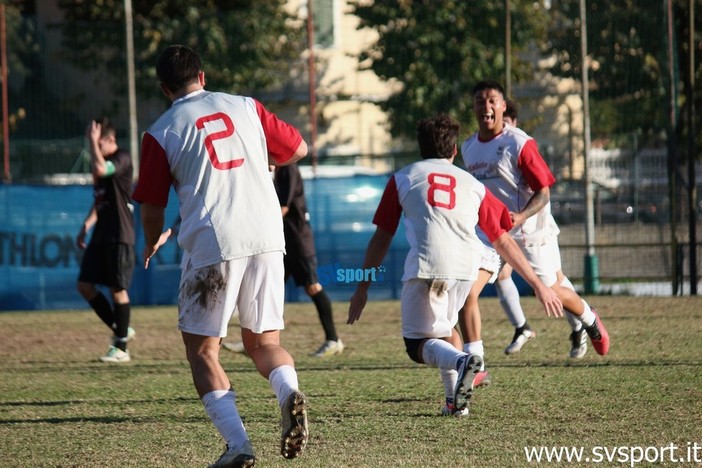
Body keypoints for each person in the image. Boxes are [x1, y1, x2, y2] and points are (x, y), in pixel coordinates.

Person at [132, 45, 309, 467]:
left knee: (203, 352)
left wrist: (152, 239)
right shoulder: (246, 105)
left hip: (215, 243)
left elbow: (152, 206)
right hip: (267, 235)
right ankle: (289, 392)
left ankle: (238, 446)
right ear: (203, 76)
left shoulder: (161, 131)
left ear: (163, 88)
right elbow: (298, 148)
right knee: (265, 343)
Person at [347, 114, 563, 418]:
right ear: (454, 151)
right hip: (465, 270)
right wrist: (538, 285)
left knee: (416, 344)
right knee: (447, 329)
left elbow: (381, 239)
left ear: (421, 148)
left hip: (427, 266)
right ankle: (455, 404)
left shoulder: (403, 178)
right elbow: (502, 240)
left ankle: (463, 362)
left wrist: (362, 286)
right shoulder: (473, 184)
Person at [461, 80, 610, 360]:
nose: (486, 106)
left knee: (551, 289)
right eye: (480, 100)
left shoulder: (518, 143)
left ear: (503, 107)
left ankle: (588, 318)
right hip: (492, 234)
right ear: (474, 108)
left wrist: (522, 216)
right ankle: (474, 363)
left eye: (492, 100)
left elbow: (544, 191)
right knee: (467, 289)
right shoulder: (468, 148)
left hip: (529, 230)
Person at [76, 117, 136, 363]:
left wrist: (92, 140)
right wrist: (85, 226)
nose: (93, 148)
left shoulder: (122, 158)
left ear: (110, 140)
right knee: (85, 285)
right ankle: (120, 327)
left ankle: (121, 347)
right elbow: (99, 200)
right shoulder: (101, 166)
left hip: (119, 234)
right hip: (101, 235)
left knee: (117, 290)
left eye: (98, 143)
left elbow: (102, 169)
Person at [273, 164, 344, 357]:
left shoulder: (288, 168)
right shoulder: (278, 169)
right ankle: (257, 341)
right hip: (285, 240)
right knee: (271, 286)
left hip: (298, 241)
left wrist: (258, 225)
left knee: (312, 287)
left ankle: (333, 339)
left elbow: (283, 207)